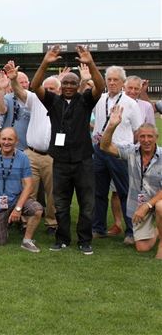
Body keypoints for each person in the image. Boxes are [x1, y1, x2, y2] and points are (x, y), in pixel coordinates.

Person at [31, 45, 105, 255]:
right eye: (66, 83)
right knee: (61, 203)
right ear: (61, 85)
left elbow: (100, 86)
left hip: (83, 160)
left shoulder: (86, 100)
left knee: (86, 203)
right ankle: (62, 238)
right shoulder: (53, 101)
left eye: (74, 82)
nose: (70, 86)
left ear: (79, 84)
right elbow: (35, 85)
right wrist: (45, 63)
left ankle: (84, 240)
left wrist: (90, 63)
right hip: (61, 161)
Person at [4, 63, 60, 234]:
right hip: (31, 153)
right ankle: (26, 221)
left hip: (52, 155)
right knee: (29, 190)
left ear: (58, 90)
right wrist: (13, 80)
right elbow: (19, 92)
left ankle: (52, 223)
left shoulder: (62, 103)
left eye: (52, 88)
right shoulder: (36, 99)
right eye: (46, 87)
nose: (48, 91)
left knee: (52, 193)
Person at [100, 106, 162, 259]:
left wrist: (148, 206)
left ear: (156, 137)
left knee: (160, 206)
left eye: (150, 136)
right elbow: (104, 146)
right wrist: (112, 125)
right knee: (142, 248)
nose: (146, 140)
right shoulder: (131, 152)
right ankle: (157, 231)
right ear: (137, 138)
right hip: (139, 203)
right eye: (142, 137)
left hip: (157, 201)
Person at [91, 66, 141, 244]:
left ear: (122, 82)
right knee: (99, 191)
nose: (112, 82)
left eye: (116, 80)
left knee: (125, 192)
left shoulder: (130, 103)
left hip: (119, 152)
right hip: (99, 150)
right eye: (109, 79)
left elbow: (138, 131)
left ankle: (131, 231)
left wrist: (132, 153)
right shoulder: (99, 98)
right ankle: (98, 228)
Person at [0, 128, 43, 252]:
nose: (6, 142)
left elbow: (29, 186)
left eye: (10, 139)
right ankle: (6, 223)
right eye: (4, 139)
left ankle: (27, 240)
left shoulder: (23, 157)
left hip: (16, 200)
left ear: (16, 141)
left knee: (37, 210)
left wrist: (18, 209)